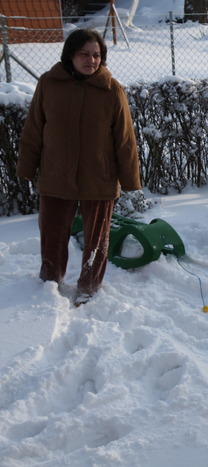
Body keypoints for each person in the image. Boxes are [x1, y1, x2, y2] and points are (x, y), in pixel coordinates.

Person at [16, 29, 141, 306]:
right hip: (55, 174)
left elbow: (125, 138)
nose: (91, 60)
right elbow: (34, 129)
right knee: (52, 233)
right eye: (84, 54)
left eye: (97, 55)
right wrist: (27, 165)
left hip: (99, 177)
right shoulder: (49, 84)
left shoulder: (112, 89)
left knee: (97, 238)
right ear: (70, 55)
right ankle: (50, 283)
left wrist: (130, 179)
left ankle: (89, 287)